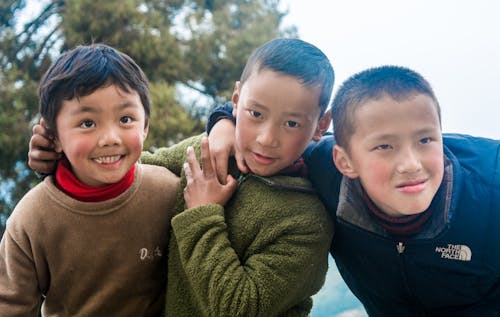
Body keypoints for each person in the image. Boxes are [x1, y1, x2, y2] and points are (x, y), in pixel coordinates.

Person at [26, 38, 335, 316]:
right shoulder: (208, 150)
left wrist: (202, 214)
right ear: (237, 100)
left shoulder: (306, 223)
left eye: (292, 124)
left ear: (321, 125)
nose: (267, 138)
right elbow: (131, 173)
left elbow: (239, 307)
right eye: (256, 114)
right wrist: (62, 158)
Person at [206, 65, 500, 316]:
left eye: (425, 140)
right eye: (385, 146)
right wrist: (222, 123)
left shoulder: (491, 187)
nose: (411, 165)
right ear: (345, 162)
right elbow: (261, 117)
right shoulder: (325, 168)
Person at [0, 44, 179, 316]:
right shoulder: (31, 219)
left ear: (145, 127)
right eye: (87, 123)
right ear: (54, 137)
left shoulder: (169, 193)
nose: (110, 138)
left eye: (126, 118)